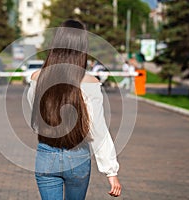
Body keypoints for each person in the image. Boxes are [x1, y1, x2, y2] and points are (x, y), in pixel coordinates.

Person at [27, 19, 121, 200]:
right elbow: (97, 129)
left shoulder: (37, 77)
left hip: (46, 155)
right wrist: (111, 172)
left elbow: (36, 114)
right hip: (77, 156)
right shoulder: (89, 82)